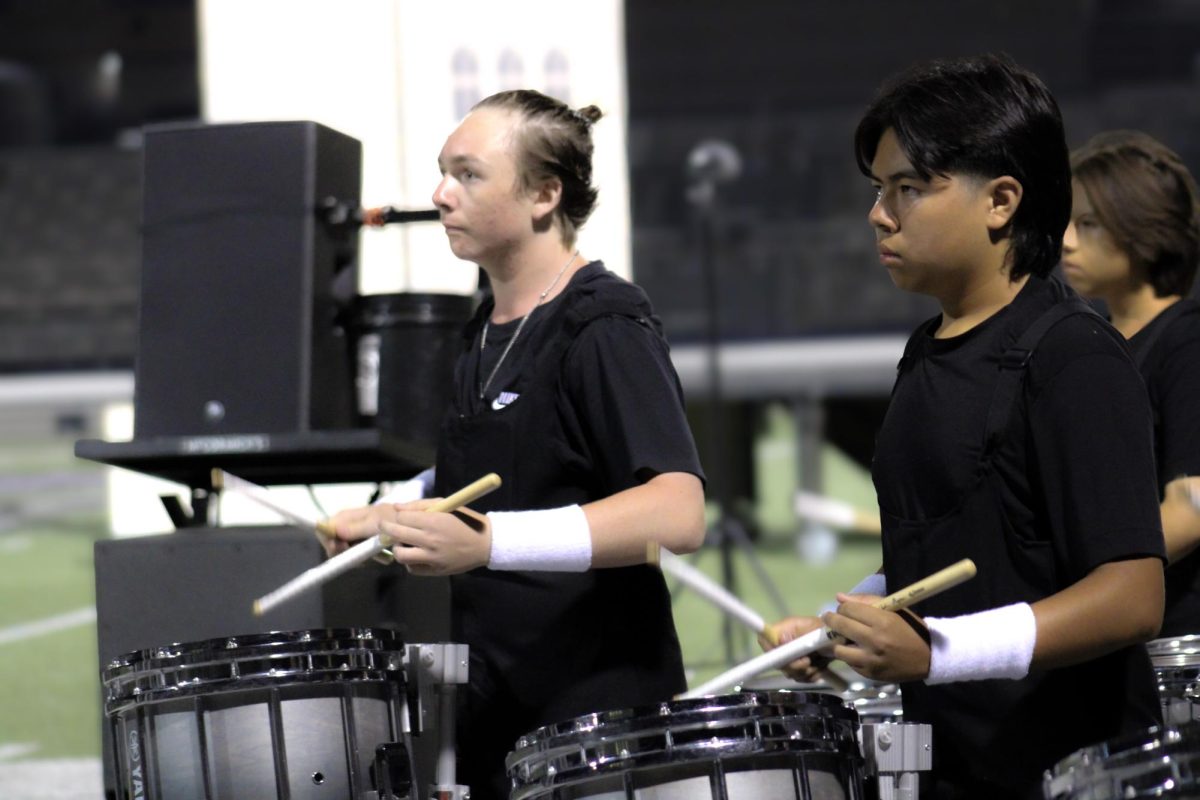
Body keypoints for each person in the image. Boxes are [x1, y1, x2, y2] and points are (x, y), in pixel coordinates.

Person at [761, 54, 1165, 799]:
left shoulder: (1075, 357)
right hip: (954, 767)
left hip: (1072, 774)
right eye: (879, 189)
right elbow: (948, 549)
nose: (880, 214)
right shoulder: (925, 352)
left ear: (1002, 201)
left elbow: (1133, 594)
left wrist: (937, 652)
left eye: (909, 188)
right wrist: (838, 623)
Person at [329, 90, 706, 800]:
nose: (440, 195)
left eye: (467, 174)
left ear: (543, 194)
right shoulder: (485, 328)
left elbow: (677, 513)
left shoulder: (604, 326)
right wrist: (390, 516)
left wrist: (488, 543)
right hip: (500, 719)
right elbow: (508, 464)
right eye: (443, 172)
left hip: (598, 731)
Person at [1062, 130, 1200, 637]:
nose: (1067, 241)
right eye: (1068, 222)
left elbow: (1192, 507)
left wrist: (1086, 578)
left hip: (1175, 646)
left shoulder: (1186, 338)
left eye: (1089, 223)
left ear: (1144, 228)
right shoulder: (1093, 344)